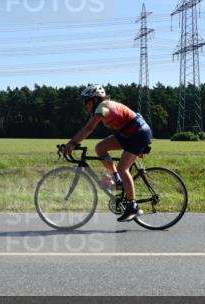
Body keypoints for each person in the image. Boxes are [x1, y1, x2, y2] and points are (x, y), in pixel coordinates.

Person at [64, 84, 153, 222]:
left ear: (94, 100)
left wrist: (73, 142)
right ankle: (117, 179)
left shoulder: (103, 106)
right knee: (100, 148)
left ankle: (133, 206)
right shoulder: (102, 108)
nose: (84, 105)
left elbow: (89, 128)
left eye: (86, 101)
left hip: (139, 133)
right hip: (128, 133)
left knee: (123, 168)